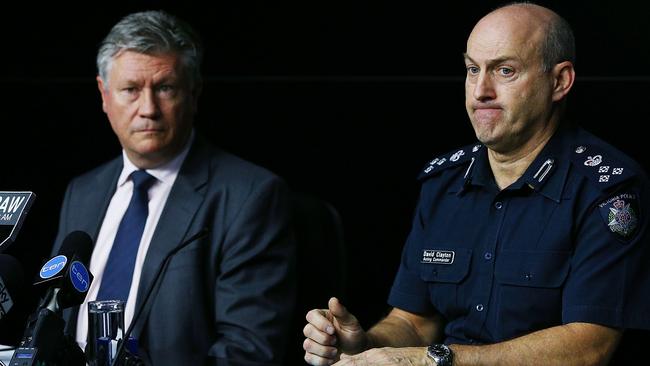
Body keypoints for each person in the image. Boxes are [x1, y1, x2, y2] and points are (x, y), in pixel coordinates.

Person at [303, 3, 650, 365]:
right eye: (472, 69)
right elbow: (413, 321)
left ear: (559, 81)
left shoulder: (608, 190)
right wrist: (365, 344)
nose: (481, 90)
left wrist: (431, 360)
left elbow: (588, 348)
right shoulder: (442, 183)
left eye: (504, 70)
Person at [49, 10, 295, 365]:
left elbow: (247, 351)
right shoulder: (82, 192)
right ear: (104, 96)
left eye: (165, 88)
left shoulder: (251, 196)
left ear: (193, 94)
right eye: (130, 90)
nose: (148, 109)